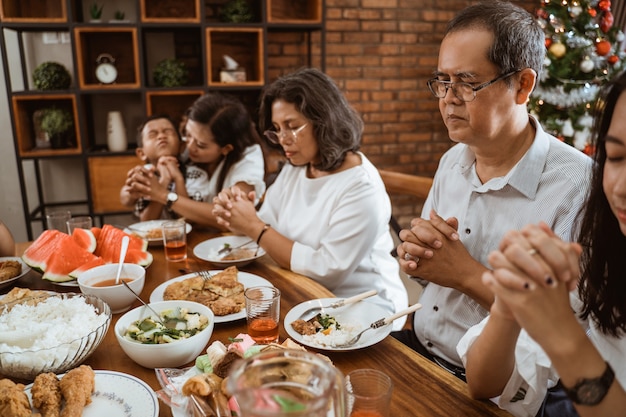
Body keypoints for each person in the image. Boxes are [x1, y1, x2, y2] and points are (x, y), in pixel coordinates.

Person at [392, 1, 593, 378]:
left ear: (522, 84)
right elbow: (432, 271)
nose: (448, 98)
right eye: (442, 81)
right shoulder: (453, 161)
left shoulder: (578, 187)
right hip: (423, 351)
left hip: (506, 391)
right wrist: (416, 256)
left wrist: (467, 274)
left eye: (467, 83)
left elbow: (571, 331)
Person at [458, 71, 626, 417]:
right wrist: (509, 305)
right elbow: (482, 383)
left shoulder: (569, 179)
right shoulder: (604, 256)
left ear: (522, 86)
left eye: (468, 83)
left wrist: (560, 332)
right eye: (616, 156)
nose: (620, 188)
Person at [212, 67, 409, 329]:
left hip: (362, 309)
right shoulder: (298, 166)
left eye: (292, 127)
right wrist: (238, 211)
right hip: (304, 293)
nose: (283, 140)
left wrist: (253, 225)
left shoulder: (361, 186)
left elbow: (328, 270)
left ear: (325, 121)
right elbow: (266, 225)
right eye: (277, 129)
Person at [122, 94, 266, 229]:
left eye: (201, 145)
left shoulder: (248, 159)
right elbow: (129, 196)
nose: (189, 147)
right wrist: (131, 193)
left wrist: (163, 195)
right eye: (187, 134)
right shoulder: (180, 149)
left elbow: (232, 214)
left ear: (226, 149)